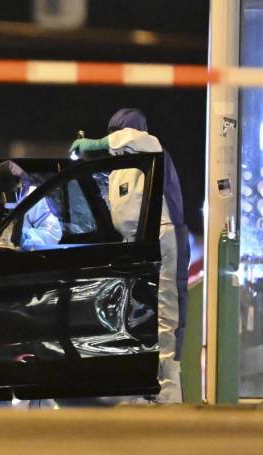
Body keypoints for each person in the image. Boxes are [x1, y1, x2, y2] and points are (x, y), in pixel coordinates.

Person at [70, 108, 189, 404]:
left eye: (115, 133)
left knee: (166, 317)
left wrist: (96, 144)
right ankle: (144, 390)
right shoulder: (118, 170)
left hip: (163, 240)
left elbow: (136, 139)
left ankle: (170, 395)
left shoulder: (151, 148)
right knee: (136, 320)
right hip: (134, 249)